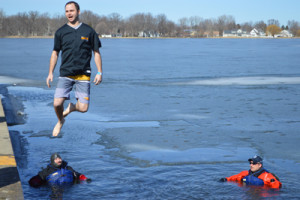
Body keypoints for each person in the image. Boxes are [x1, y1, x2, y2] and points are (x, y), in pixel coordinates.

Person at [46, 1, 103, 137]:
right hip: (66, 73)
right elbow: (55, 53)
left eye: (71, 11)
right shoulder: (61, 32)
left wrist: (99, 72)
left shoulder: (89, 31)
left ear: (78, 12)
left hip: (83, 74)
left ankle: (72, 107)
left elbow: (96, 52)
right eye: (67, 11)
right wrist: (50, 73)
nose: (69, 13)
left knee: (83, 108)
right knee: (57, 104)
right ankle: (60, 121)